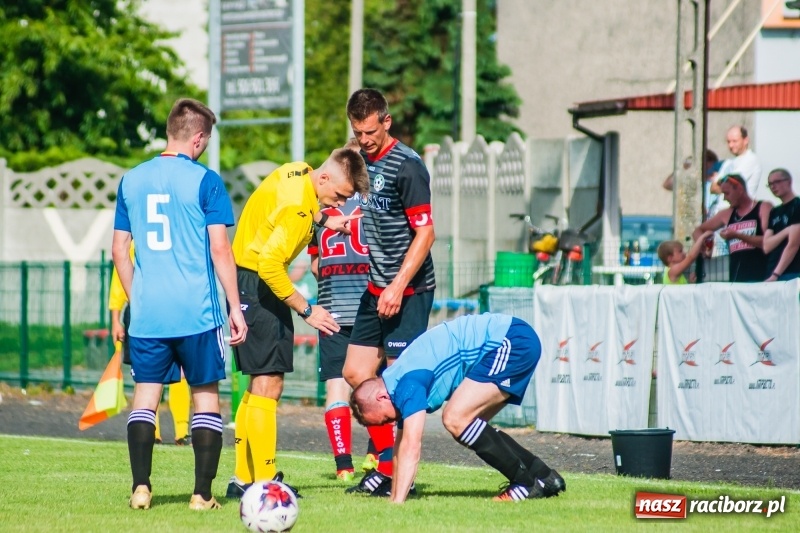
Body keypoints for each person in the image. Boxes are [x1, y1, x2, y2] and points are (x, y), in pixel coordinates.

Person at [111, 97, 247, 511]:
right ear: (199, 138)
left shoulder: (131, 180)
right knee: (205, 396)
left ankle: (141, 489)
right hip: (197, 311)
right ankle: (202, 495)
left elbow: (119, 250)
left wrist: (140, 299)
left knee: (144, 398)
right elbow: (220, 250)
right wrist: (236, 306)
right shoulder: (206, 181)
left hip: (149, 314)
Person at [226, 148, 369, 499]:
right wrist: (308, 310)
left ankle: (243, 479)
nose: (339, 203)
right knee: (269, 382)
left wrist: (324, 219)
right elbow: (271, 266)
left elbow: (288, 206)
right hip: (260, 287)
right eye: (338, 195)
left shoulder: (299, 171)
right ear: (324, 178)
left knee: (257, 382)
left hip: (246, 282)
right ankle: (265, 481)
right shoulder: (298, 208)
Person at [350, 313, 565, 503]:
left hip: (511, 340)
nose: (389, 422)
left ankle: (523, 484)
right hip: (513, 338)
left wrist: (397, 502)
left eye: (385, 419)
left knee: (455, 418)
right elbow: (401, 444)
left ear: (381, 396)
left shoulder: (407, 384)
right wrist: (394, 491)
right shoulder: (394, 382)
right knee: (469, 424)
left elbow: (411, 446)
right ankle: (544, 476)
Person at [342, 88, 437, 496]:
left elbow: (426, 232)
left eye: (369, 131)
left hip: (409, 290)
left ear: (386, 121)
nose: (364, 139)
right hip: (374, 286)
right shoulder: (360, 158)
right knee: (355, 373)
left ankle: (398, 475)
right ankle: (384, 466)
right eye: (357, 131)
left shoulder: (408, 166)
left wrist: (398, 285)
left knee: (399, 386)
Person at [109, 242, 193, 445]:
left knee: (176, 372)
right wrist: (115, 320)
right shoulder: (135, 242)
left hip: (166, 311)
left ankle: (181, 431)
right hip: (144, 312)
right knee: (148, 375)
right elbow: (119, 279)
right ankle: (152, 431)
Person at [722, 169, 800, 281]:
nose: (773, 187)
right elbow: (767, 245)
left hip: (793, 272)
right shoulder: (774, 211)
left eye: (777, 182)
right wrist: (786, 231)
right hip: (773, 270)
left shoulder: (797, 206)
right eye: (770, 184)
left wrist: (775, 274)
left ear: (788, 182)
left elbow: (793, 244)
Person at [692, 174, 771, 282]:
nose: (725, 198)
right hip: (736, 275)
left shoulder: (763, 207)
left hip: (761, 273)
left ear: (739, 189)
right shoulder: (726, 213)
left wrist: (737, 235)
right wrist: (705, 246)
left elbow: (768, 242)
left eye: (727, 193)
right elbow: (698, 230)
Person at [717, 126, 762, 200]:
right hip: (720, 210)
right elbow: (712, 188)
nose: (730, 145)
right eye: (728, 141)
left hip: (740, 210)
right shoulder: (727, 163)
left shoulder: (751, 159)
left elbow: (730, 185)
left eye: (734, 141)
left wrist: (721, 183)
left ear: (746, 140)